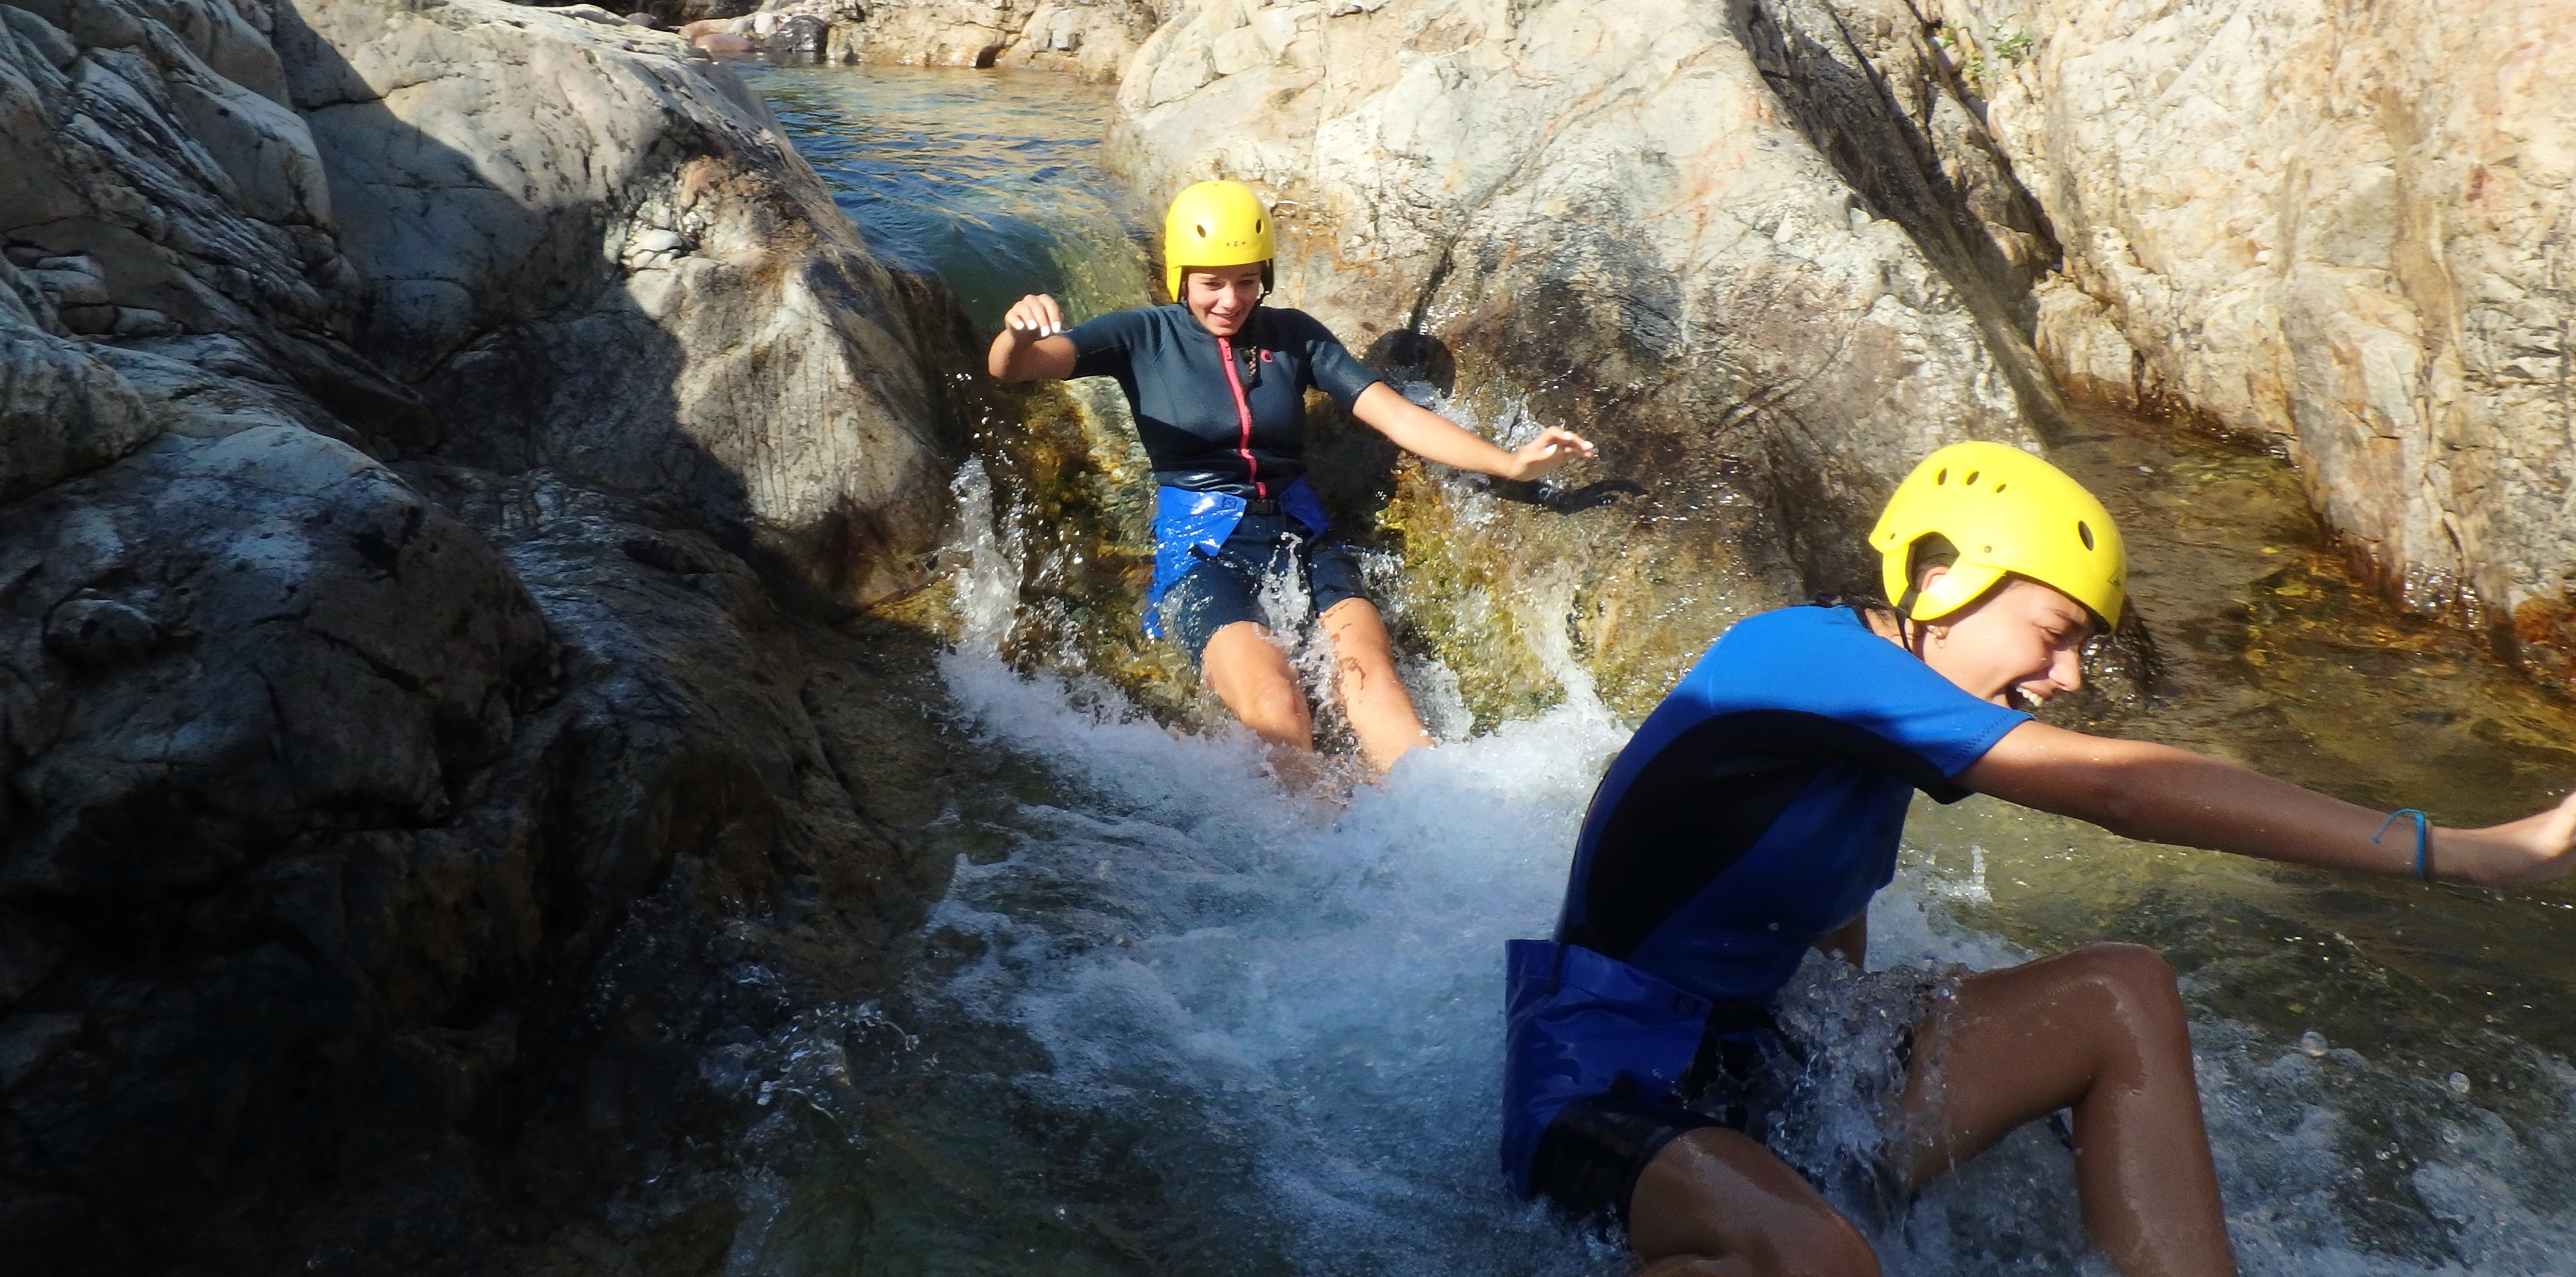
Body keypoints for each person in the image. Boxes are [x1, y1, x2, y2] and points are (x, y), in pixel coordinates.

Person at [1502, 440, 2576, 1276]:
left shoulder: (1878, 729)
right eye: (2051, 633)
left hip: (1758, 1068)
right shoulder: (1798, 656)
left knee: (2118, 990)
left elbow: (1820, 935)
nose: (2065, 675)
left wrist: (1884, 1044)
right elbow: (2119, 786)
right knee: (1821, 1256)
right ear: (1936, 578)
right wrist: (2472, 852)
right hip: (1599, 1080)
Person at [988, 178, 1593, 774]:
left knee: (1378, 688)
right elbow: (1016, 370)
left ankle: (1442, 835)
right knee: (1276, 708)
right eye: (1211, 284)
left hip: (1303, 537)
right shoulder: (1139, 336)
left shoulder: (1295, 337)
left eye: (1247, 281)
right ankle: (1317, 859)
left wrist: (1512, 462)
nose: (1230, 300)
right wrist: (1016, 335)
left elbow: (1397, 416)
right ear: (1179, 278)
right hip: (1202, 552)